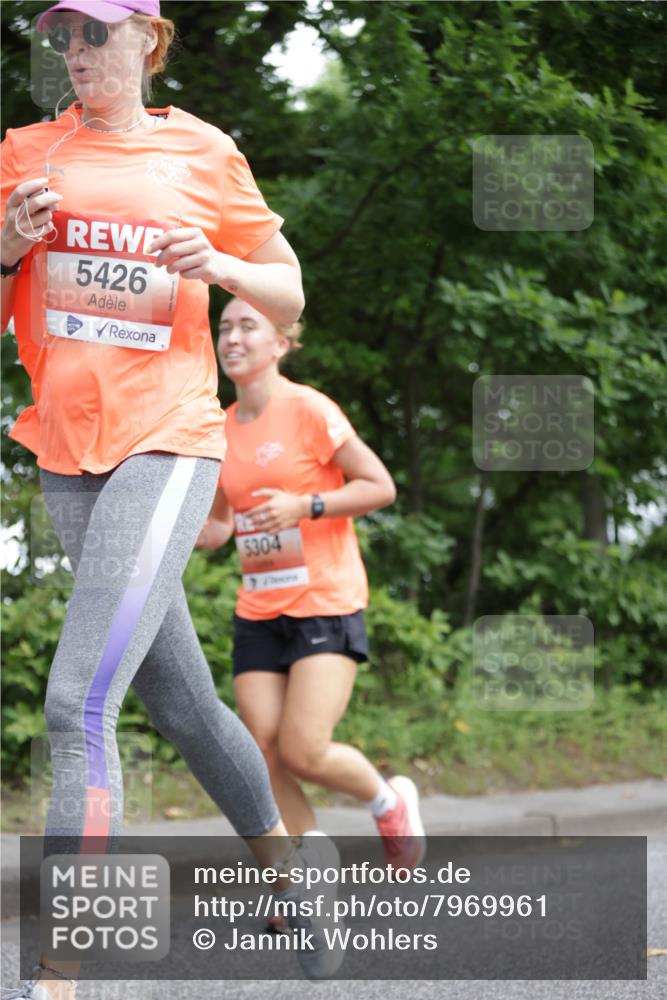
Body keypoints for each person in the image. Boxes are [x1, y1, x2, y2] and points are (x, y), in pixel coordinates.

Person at [0, 2, 343, 993]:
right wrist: (10, 246)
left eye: (96, 33)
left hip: (171, 444)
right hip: (69, 456)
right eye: (63, 35)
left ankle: (59, 974)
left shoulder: (202, 150)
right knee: (182, 699)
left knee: (77, 702)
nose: (75, 53)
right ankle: (295, 887)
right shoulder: (23, 151)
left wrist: (221, 263)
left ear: (148, 42)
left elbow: (288, 292)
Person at [196, 296, 427, 932]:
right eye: (224, 327)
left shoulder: (311, 410)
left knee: (303, 748)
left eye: (248, 326)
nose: (232, 337)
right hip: (259, 607)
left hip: (325, 599)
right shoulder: (217, 426)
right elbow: (220, 523)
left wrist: (306, 507)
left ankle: (389, 802)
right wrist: (174, 532)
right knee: (261, 750)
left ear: (281, 344)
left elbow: (379, 485)